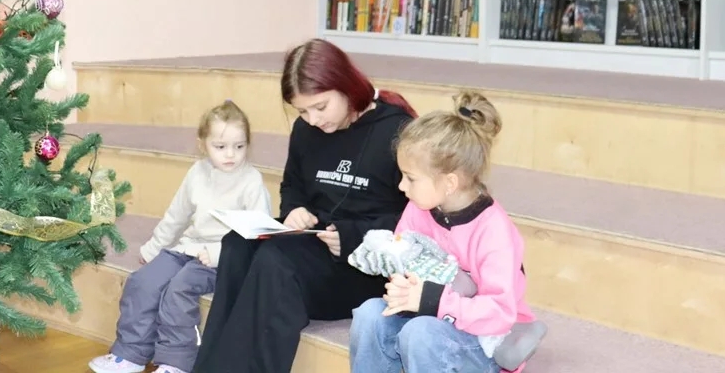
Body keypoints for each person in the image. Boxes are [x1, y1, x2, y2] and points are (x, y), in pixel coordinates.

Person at [191, 39, 416, 373]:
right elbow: (293, 185)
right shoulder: (306, 130)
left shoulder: (397, 130)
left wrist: (353, 235)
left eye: (320, 107)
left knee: (276, 262)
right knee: (237, 243)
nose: (312, 119)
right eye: (302, 111)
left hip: (366, 267)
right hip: (313, 244)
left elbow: (419, 219)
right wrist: (294, 208)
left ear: (345, 86)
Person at [349, 90, 537, 373]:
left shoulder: (493, 230)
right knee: (369, 315)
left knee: (421, 333)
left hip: (486, 339)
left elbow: (499, 313)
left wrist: (432, 300)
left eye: (410, 178)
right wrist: (402, 285)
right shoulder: (418, 207)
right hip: (431, 318)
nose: (401, 186)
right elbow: (404, 261)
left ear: (449, 183)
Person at [90, 100, 272, 373]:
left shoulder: (251, 181)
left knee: (179, 289)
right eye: (220, 146)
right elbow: (176, 216)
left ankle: (176, 363)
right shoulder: (197, 173)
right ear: (203, 144)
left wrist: (218, 253)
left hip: (224, 259)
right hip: (188, 248)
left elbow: (258, 233)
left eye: (239, 146)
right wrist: (153, 249)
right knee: (142, 282)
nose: (230, 154)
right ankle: (131, 354)